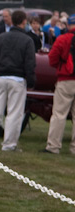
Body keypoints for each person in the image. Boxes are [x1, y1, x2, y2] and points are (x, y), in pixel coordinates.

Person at [0, 9, 37, 152]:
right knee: (14, 113)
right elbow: (30, 63)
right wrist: (31, 81)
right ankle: (9, 144)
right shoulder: (27, 40)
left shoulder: (1, 38)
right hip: (18, 79)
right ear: (24, 22)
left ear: (12, 20)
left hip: (1, 77)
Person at [44, 18, 75, 154]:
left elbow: (52, 58)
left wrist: (61, 67)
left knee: (59, 114)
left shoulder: (63, 39)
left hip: (65, 79)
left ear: (68, 25)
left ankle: (53, 146)